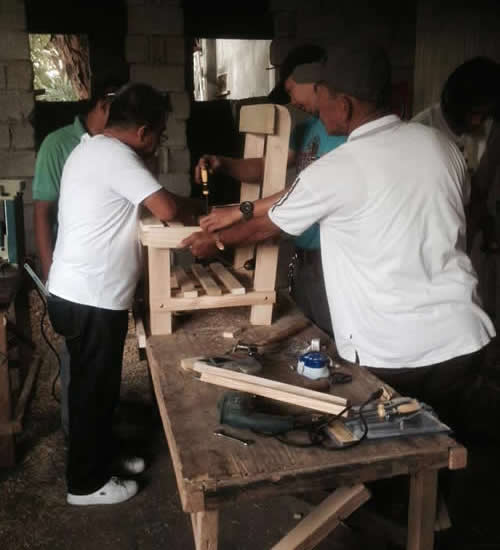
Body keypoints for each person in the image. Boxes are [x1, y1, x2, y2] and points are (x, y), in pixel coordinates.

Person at [183, 44, 495, 437]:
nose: (315, 105)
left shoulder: (337, 167)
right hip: (464, 342)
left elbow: (266, 228)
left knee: (386, 464)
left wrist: (217, 243)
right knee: (445, 454)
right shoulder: (443, 148)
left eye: (323, 96)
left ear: (343, 105)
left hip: (397, 354)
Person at [47, 83, 197, 506]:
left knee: (97, 389)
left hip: (83, 293)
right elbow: (166, 209)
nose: (158, 144)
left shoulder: (92, 148)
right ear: (145, 131)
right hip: (90, 298)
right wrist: (203, 211)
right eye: (161, 135)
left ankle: (101, 458)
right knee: (93, 393)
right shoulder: (119, 157)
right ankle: (86, 484)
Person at [195, 44, 346, 335]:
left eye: (291, 90)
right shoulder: (307, 130)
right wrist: (223, 163)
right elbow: (264, 166)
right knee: (310, 336)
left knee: (334, 339)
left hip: (334, 256)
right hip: (304, 256)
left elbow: (299, 192)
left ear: (316, 82)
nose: (291, 100)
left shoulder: (344, 135)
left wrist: (240, 212)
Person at [33, 76, 125, 437]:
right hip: (75, 280)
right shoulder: (58, 146)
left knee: (101, 369)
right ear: (102, 106)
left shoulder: (113, 146)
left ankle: (102, 446)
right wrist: (50, 279)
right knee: (79, 368)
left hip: (105, 279)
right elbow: (42, 215)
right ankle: (80, 449)